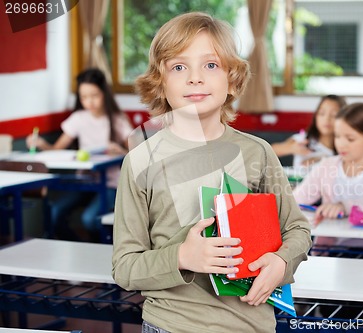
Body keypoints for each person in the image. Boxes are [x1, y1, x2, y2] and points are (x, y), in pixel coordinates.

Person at [111, 12, 311, 333]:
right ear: (160, 81)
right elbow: (125, 268)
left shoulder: (257, 152)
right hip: (171, 325)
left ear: (232, 78)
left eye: (211, 65)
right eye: (178, 67)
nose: (195, 78)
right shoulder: (139, 162)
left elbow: (297, 230)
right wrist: (182, 257)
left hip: (252, 325)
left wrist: (282, 261)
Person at [26, 68, 133, 241]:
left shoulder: (117, 119)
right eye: (84, 97)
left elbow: (137, 154)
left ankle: (97, 250)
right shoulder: (78, 118)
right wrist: (41, 144)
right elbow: (57, 150)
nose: (89, 101)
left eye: (94, 95)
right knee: (55, 211)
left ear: (104, 93)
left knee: (89, 220)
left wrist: (121, 151)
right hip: (83, 181)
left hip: (110, 185)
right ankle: (78, 246)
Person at [293, 102, 363, 251]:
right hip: (330, 252)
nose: (341, 144)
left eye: (350, 139)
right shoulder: (326, 166)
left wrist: (344, 206)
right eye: (337, 136)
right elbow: (297, 199)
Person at [271, 94, 346, 169]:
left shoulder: (344, 147)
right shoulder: (303, 139)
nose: (326, 119)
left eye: (334, 115)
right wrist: (292, 148)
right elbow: (271, 151)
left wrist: (321, 160)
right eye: (322, 113)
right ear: (316, 116)